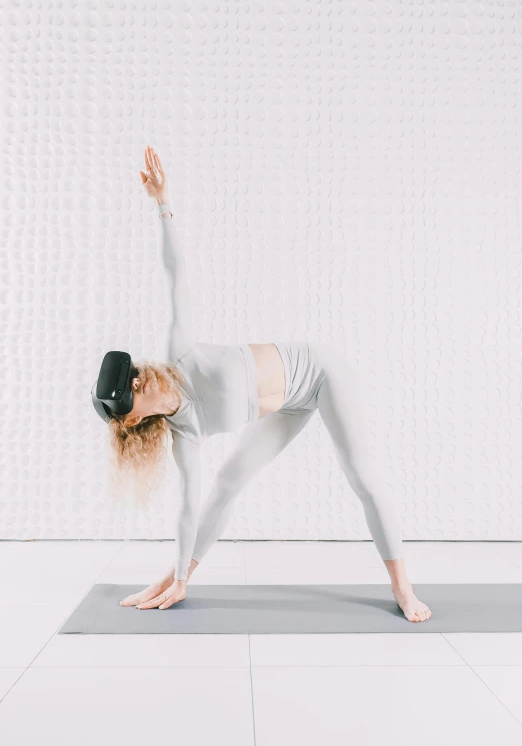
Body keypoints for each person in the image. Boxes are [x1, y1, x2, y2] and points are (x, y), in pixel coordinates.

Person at [117, 145, 431, 623]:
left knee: (362, 478)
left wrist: (163, 203)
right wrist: (179, 575)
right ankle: (176, 577)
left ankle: (404, 588)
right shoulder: (187, 436)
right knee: (225, 483)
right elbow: (188, 507)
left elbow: (176, 275)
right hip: (288, 407)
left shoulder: (179, 355)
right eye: (131, 387)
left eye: (131, 371)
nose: (138, 375)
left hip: (321, 372)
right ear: (135, 416)